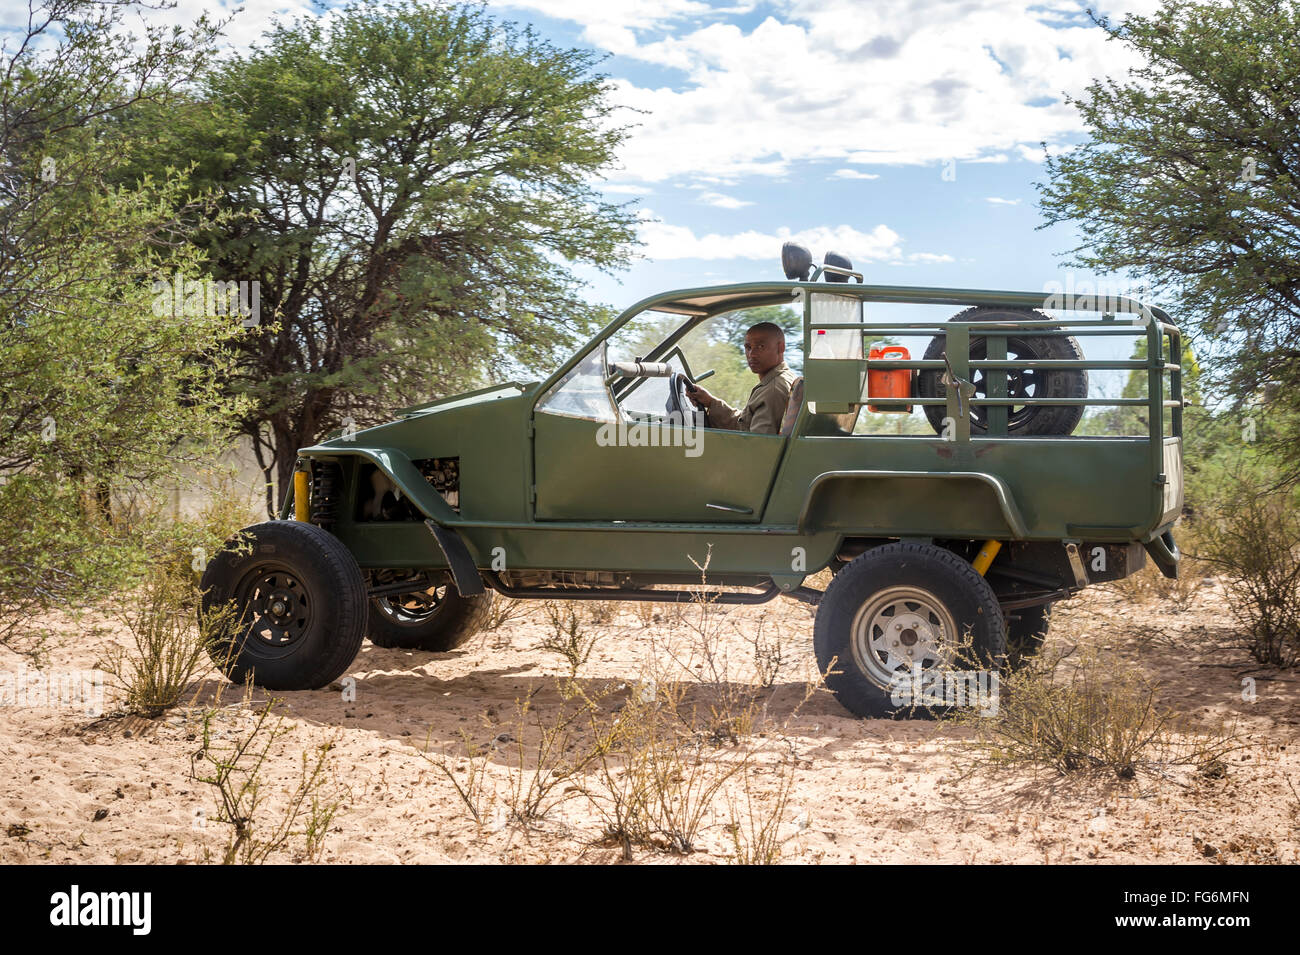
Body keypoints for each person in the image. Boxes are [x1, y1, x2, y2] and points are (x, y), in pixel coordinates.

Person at [686, 322, 797, 434]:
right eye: (748, 347)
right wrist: (710, 402)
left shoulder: (773, 389)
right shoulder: (782, 379)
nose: (752, 354)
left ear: (780, 347)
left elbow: (758, 444)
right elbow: (744, 424)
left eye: (760, 346)